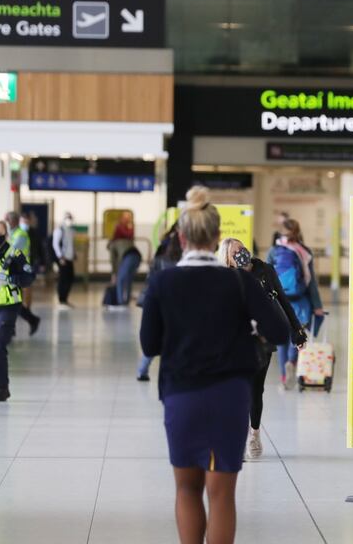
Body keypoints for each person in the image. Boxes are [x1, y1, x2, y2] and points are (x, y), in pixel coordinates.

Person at [140, 187, 289, 544]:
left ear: (181, 236)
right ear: (218, 236)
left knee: (187, 490)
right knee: (222, 493)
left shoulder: (162, 281)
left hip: (182, 394)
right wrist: (249, 333)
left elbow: (149, 344)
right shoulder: (240, 282)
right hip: (230, 395)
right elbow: (279, 331)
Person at [219, 237, 307, 459]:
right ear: (227, 260)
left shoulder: (264, 270)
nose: (241, 253)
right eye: (235, 252)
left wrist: (296, 330)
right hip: (235, 341)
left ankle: (254, 433)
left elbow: (283, 301)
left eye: (242, 248)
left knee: (255, 390)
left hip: (263, 340)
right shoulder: (226, 277)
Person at [0, 221, 35, 402]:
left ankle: (1, 388)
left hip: (7, 307)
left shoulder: (15, 254)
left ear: (6, 234)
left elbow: (29, 277)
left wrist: (10, 279)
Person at [269, 218, 325, 389]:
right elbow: (311, 282)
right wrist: (317, 306)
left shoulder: (274, 251)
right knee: (298, 334)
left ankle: (284, 378)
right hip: (300, 302)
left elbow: (265, 277)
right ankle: (292, 363)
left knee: (282, 341)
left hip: (278, 301)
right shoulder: (304, 251)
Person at [136, 224, 183, 382]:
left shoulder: (159, 260)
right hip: (178, 306)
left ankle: (142, 370)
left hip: (160, 304)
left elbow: (150, 280)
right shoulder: (185, 263)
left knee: (154, 338)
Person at [5, 211, 41, 335]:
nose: (7, 223)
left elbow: (12, 251)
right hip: (13, 270)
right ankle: (23, 323)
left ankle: (30, 321)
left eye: (8, 220)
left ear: (15, 221)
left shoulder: (21, 234)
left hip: (19, 270)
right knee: (12, 300)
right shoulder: (12, 233)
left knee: (13, 300)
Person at [108, 212, 142, 307]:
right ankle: (125, 301)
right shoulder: (125, 239)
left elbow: (113, 261)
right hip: (137, 256)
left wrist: (114, 274)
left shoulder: (113, 245)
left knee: (120, 280)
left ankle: (121, 302)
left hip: (129, 256)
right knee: (128, 279)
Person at [52, 212, 76, 308]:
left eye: (70, 218)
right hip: (63, 259)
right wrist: (60, 257)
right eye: (68, 218)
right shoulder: (59, 230)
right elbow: (55, 244)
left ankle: (65, 299)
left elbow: (71, 244)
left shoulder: (71, 230)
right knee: (63, 279)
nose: (69, 220)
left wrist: (74, 254)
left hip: (70, 258)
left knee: (70, 278)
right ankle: (61, 300)